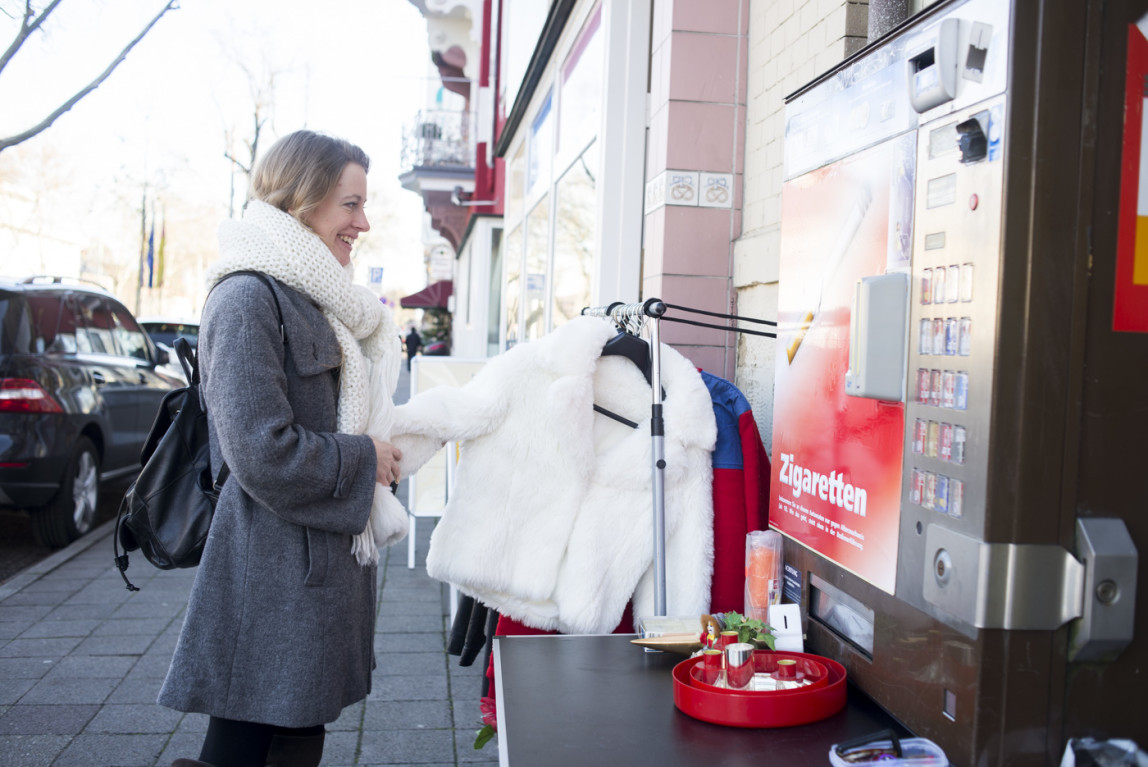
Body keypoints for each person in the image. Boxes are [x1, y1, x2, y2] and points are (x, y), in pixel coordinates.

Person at [159, 130, 408, 767]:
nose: (364, 222)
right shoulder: (246, 298)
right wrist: (364, 459)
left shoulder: (320, 299)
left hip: (314, 567)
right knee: (247, 740)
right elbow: (261, 451)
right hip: (269, 573)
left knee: (299, 734)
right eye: (350, 205)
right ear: (304, 200)